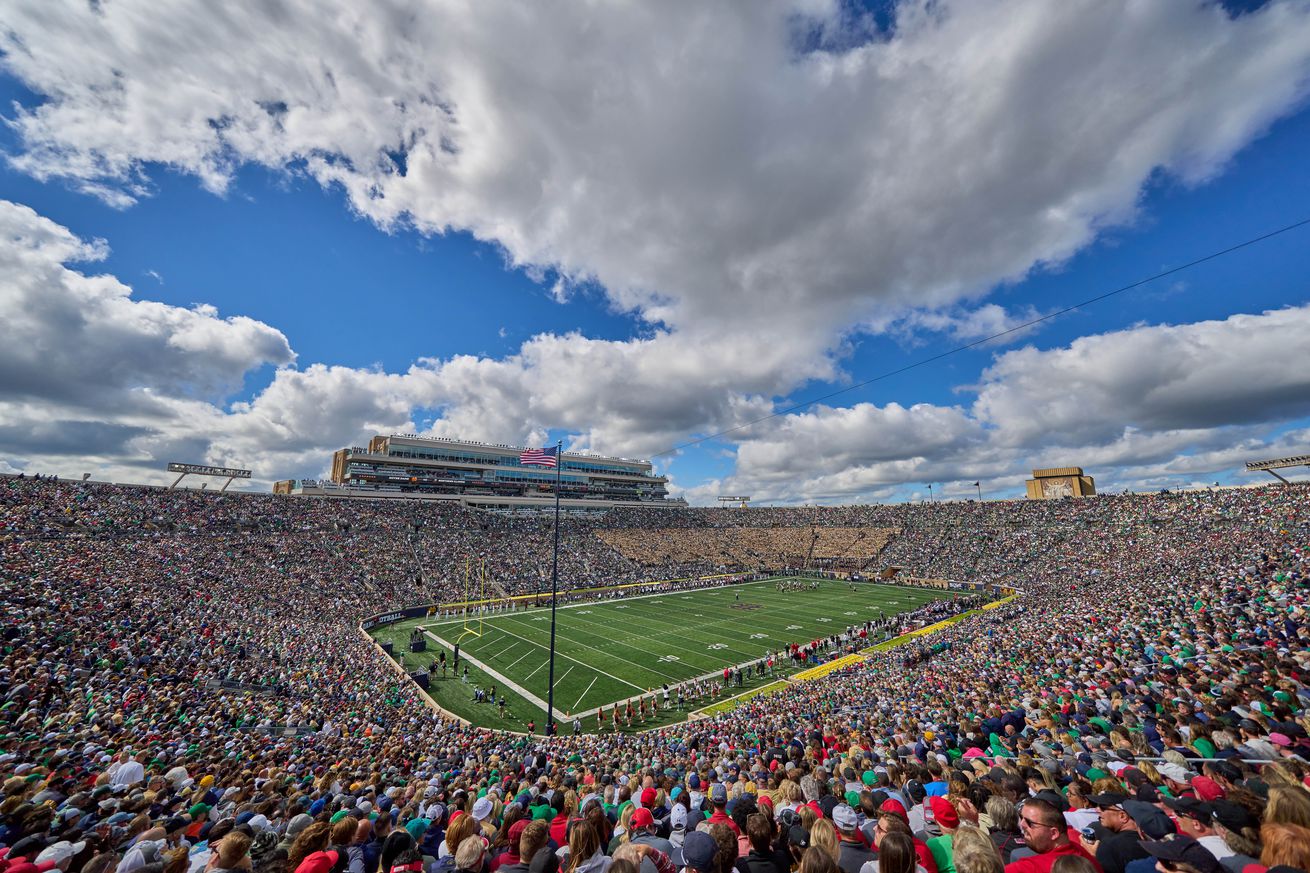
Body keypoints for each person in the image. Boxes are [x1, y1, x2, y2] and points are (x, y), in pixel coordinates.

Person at [1004, 801, 1101, 873]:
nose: (1022, 824)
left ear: (1054, 833)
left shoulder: (1025, 869)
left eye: (1029, 822)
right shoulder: (1086, 858)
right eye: (1021, 818)